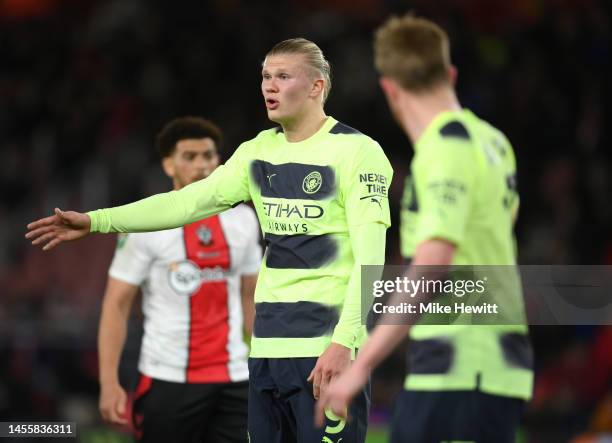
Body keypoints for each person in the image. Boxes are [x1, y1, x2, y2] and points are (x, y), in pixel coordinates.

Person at [26, 38, 393, 443]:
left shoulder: (358, 152)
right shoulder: (257, 152)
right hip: (267, 351)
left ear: (316, 87)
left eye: (283, 76)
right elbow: (186, 203)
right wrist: (97, 221)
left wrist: (346, 342)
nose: (269, 87)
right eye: (266, 77)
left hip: (325, 346)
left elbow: (370, 256)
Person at [316, 15, 533, 443]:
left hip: (457, 366)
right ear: (449, 74)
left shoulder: (441, 149)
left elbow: (433, 265)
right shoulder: (493, 141)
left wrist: (360, 365)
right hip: (501, 367)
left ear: (389, 88)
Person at [96, 117, 261, 443]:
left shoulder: (244, 220)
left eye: (209, 156)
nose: (202, 165)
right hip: (167, 378)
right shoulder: (145, 224)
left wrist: (264, 363)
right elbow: (116, 305)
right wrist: (108, 381)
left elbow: (250, 297)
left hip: (235, 378)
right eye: (190, 157)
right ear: (169, 165)